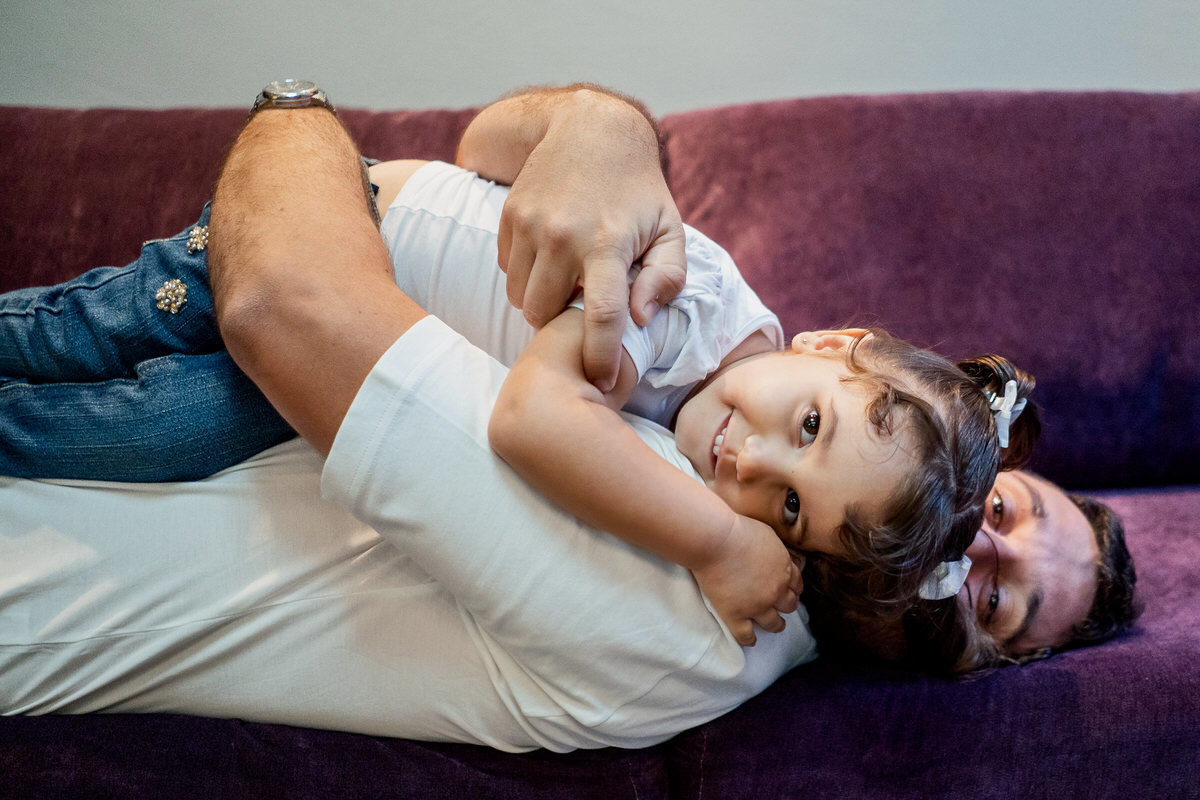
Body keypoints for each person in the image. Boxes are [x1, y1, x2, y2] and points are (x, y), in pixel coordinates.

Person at [0, 84, 1040, 651]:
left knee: (146, 434)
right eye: (808, 425)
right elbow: (532, 416)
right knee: (67, 339)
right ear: (830, 345)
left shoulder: (688, 423)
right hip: (313, 234)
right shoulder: (690, 306)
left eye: (789, 509)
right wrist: (720, 542)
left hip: (326, 359)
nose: (753, 463)